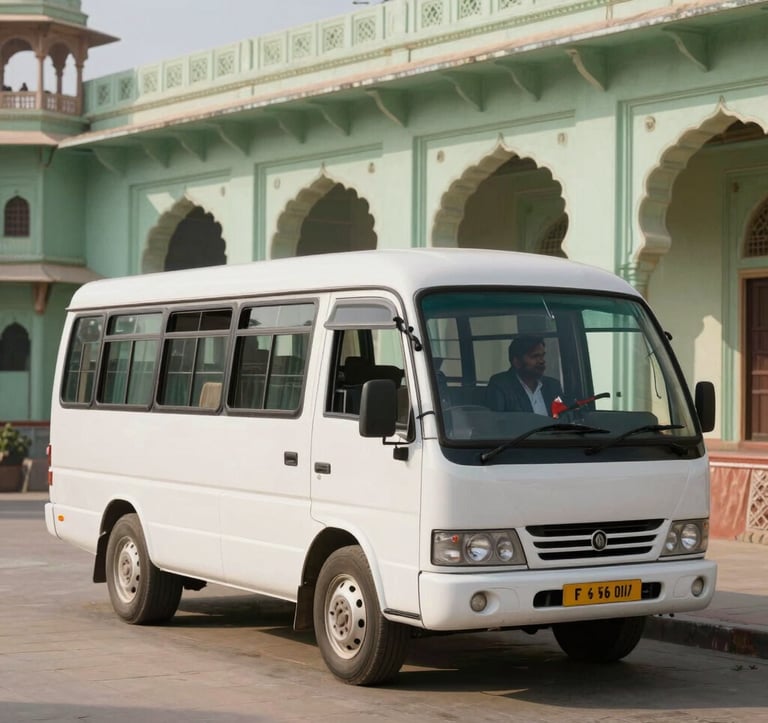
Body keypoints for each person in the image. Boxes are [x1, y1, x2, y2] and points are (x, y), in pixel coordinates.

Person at [486, 334, 563, 415]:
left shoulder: (553, 386)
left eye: (542, 356)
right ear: (517, 362)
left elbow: (562, 418)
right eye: (535, 356)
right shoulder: (500, 385)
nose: (542, 361)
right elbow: (496, 422)